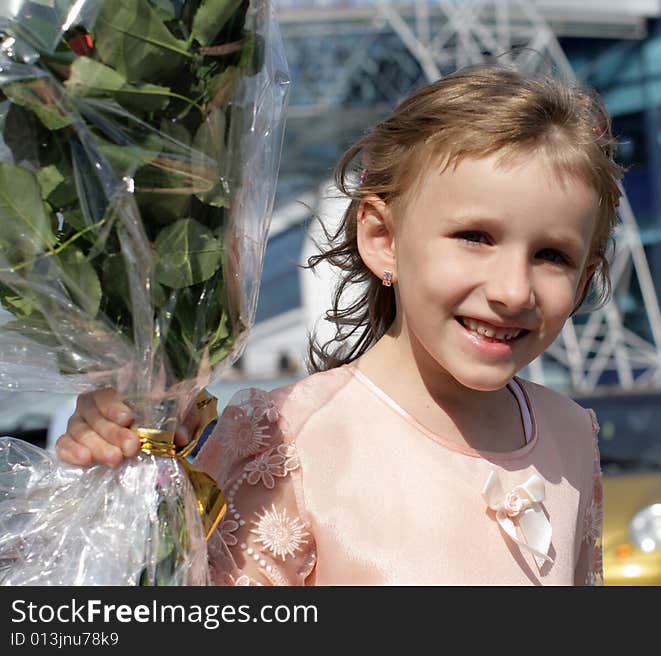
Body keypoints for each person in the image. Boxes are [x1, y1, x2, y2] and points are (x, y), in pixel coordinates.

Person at [55, 65, 624, 586]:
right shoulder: (287, 441)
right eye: (475, 237)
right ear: (383, 239)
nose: (512, 290)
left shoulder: (569, 433)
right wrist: (132, 458)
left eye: (552, 255)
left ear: (585, 276)